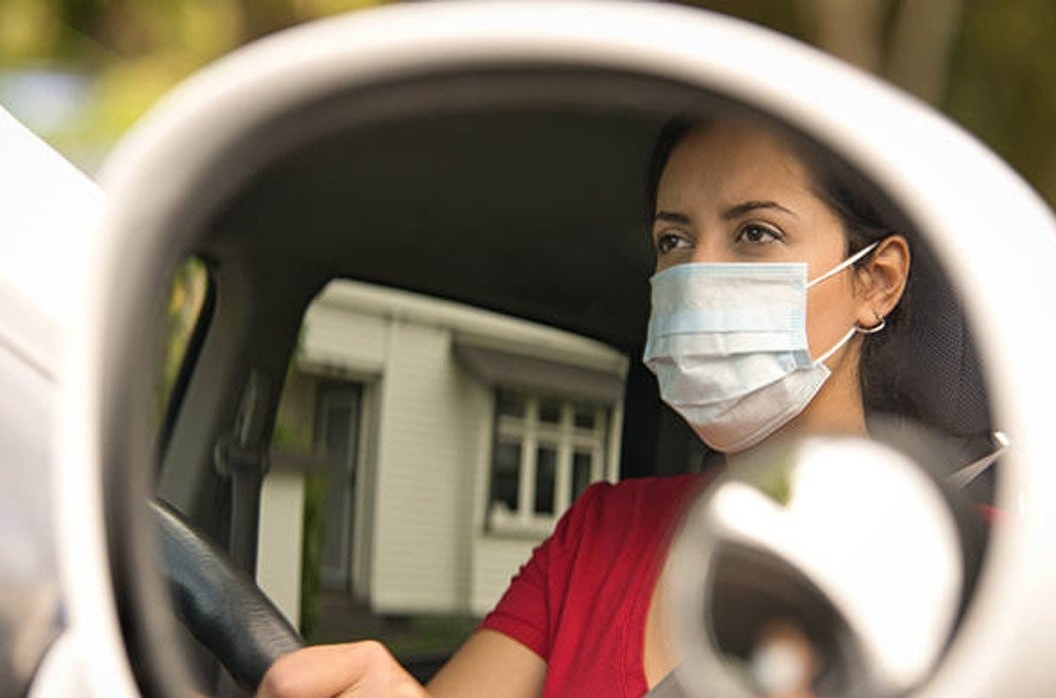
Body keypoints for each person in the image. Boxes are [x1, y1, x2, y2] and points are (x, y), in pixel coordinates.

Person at [255, 113, 912, 698]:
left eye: (756, 233)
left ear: (875, 282)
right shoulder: (602, 531)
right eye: (673, 242)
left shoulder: (992, 560)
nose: (698, 279)